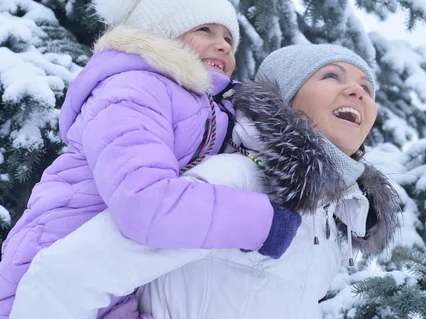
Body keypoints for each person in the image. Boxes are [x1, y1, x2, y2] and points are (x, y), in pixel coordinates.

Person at [10, 44, 401, 319]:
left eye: (367, 88)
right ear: (285, 97)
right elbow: (62, 278)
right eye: (331, 76)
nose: (357, 91)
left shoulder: (334, 221)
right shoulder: (238, 179)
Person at [0, 0, 300, 318]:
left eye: (229, 39)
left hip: (113, 285)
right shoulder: (133, 89)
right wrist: (262, 223)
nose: (223, 45)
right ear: (161, 32)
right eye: (205, 29)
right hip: (51, 274)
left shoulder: (207, 108)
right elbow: (144, 201)